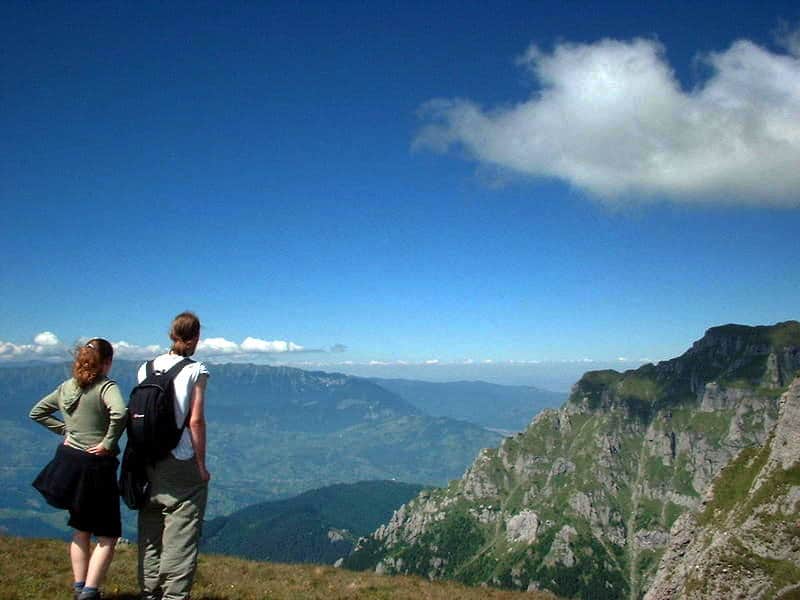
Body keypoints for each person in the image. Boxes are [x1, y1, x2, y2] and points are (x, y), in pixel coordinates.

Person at [30, 338, 127, 600]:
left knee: (81, 529)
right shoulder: (106, 387)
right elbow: (120, 412)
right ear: (107, 363)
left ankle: (79, 586)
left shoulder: (67, 387)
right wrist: (107, 442)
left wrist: (66, 431)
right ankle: (90, 592)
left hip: (68, 462)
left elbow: (37, 412)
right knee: (108, 534)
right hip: (95, 466)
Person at [137, 311, 210, 600]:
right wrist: (201, 466)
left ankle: (149, 591)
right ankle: (173, 596)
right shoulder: (196, 370)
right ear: (194, 338)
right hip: (180, 460)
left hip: (146, 459)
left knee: (150, 529)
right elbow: (195, 421)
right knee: (181, 533)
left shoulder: (145, 367)